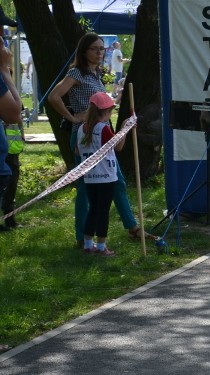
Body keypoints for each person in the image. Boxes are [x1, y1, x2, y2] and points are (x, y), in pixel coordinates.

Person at [47, 32, 142, 246]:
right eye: (95, 49)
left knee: (116, 181)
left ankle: (132, 227)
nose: (100, 52)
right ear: (84, 51)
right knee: (85, 186)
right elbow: (54, 96)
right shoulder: (77, 73)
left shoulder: (96, 74)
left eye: (102, 49)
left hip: (103, 136)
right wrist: (72, 117)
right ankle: (83, 237)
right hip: (85, 137)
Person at [76, 93, 127, 256]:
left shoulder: (81, 129)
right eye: (111, 111)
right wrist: (124, 130)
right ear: (106, 111)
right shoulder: (103, 128)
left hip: (90, 176)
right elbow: (118, 147)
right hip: (106, 176)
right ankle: (101, 246)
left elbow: (77, 150)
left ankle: (87, 244)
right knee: (103, 211)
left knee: (93, 210)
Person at [0, 45, 22, 226]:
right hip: (7, 126)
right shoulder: (3, 72)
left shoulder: (7, 71)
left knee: (13, 170)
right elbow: (14, 109)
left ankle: (9, 216)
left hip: (12, 132)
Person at [1, 114, 23, 229]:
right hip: (5, 146)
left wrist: (21, 134)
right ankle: (9, 220)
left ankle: (10, 220)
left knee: (11, 184)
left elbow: (17, 115)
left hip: (11, 147)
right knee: (8, 183)